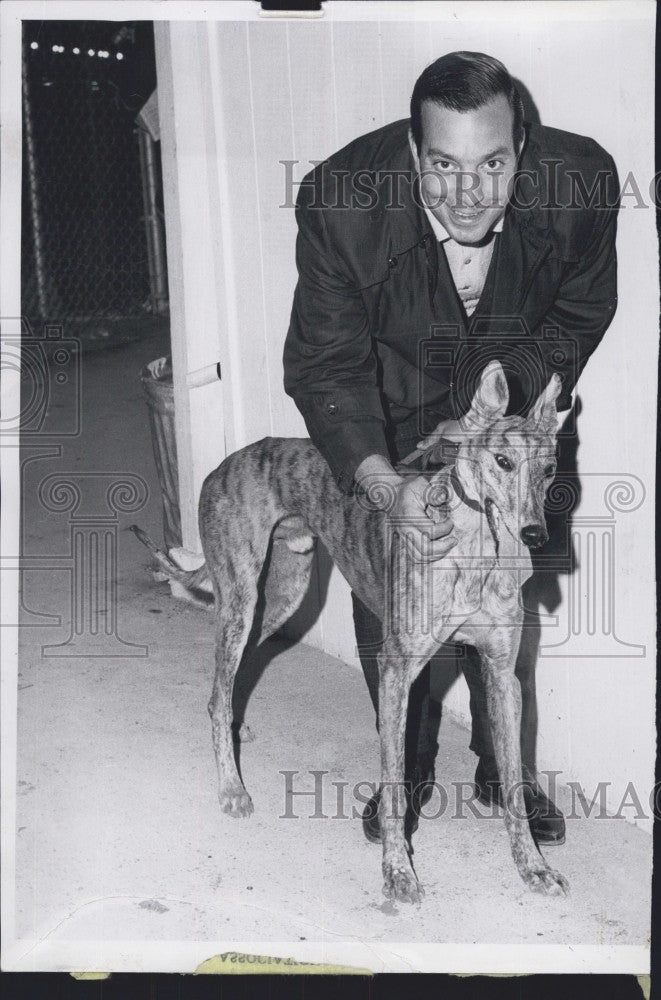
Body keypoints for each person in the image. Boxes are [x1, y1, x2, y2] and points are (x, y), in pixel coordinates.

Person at [283, 51, 619, 845]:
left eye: (492, 163)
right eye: (441, 164)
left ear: (524, 149)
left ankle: (505, 771)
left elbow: (579, 313)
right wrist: (378, 482)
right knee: (393, 582)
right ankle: (406, 762)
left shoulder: (580, 182)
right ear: (410, 153)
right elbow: (326, 365)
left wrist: (509, 390)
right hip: (393, 409)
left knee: (501, 581)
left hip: (503, 404)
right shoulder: (340, 203)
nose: (466, 192)